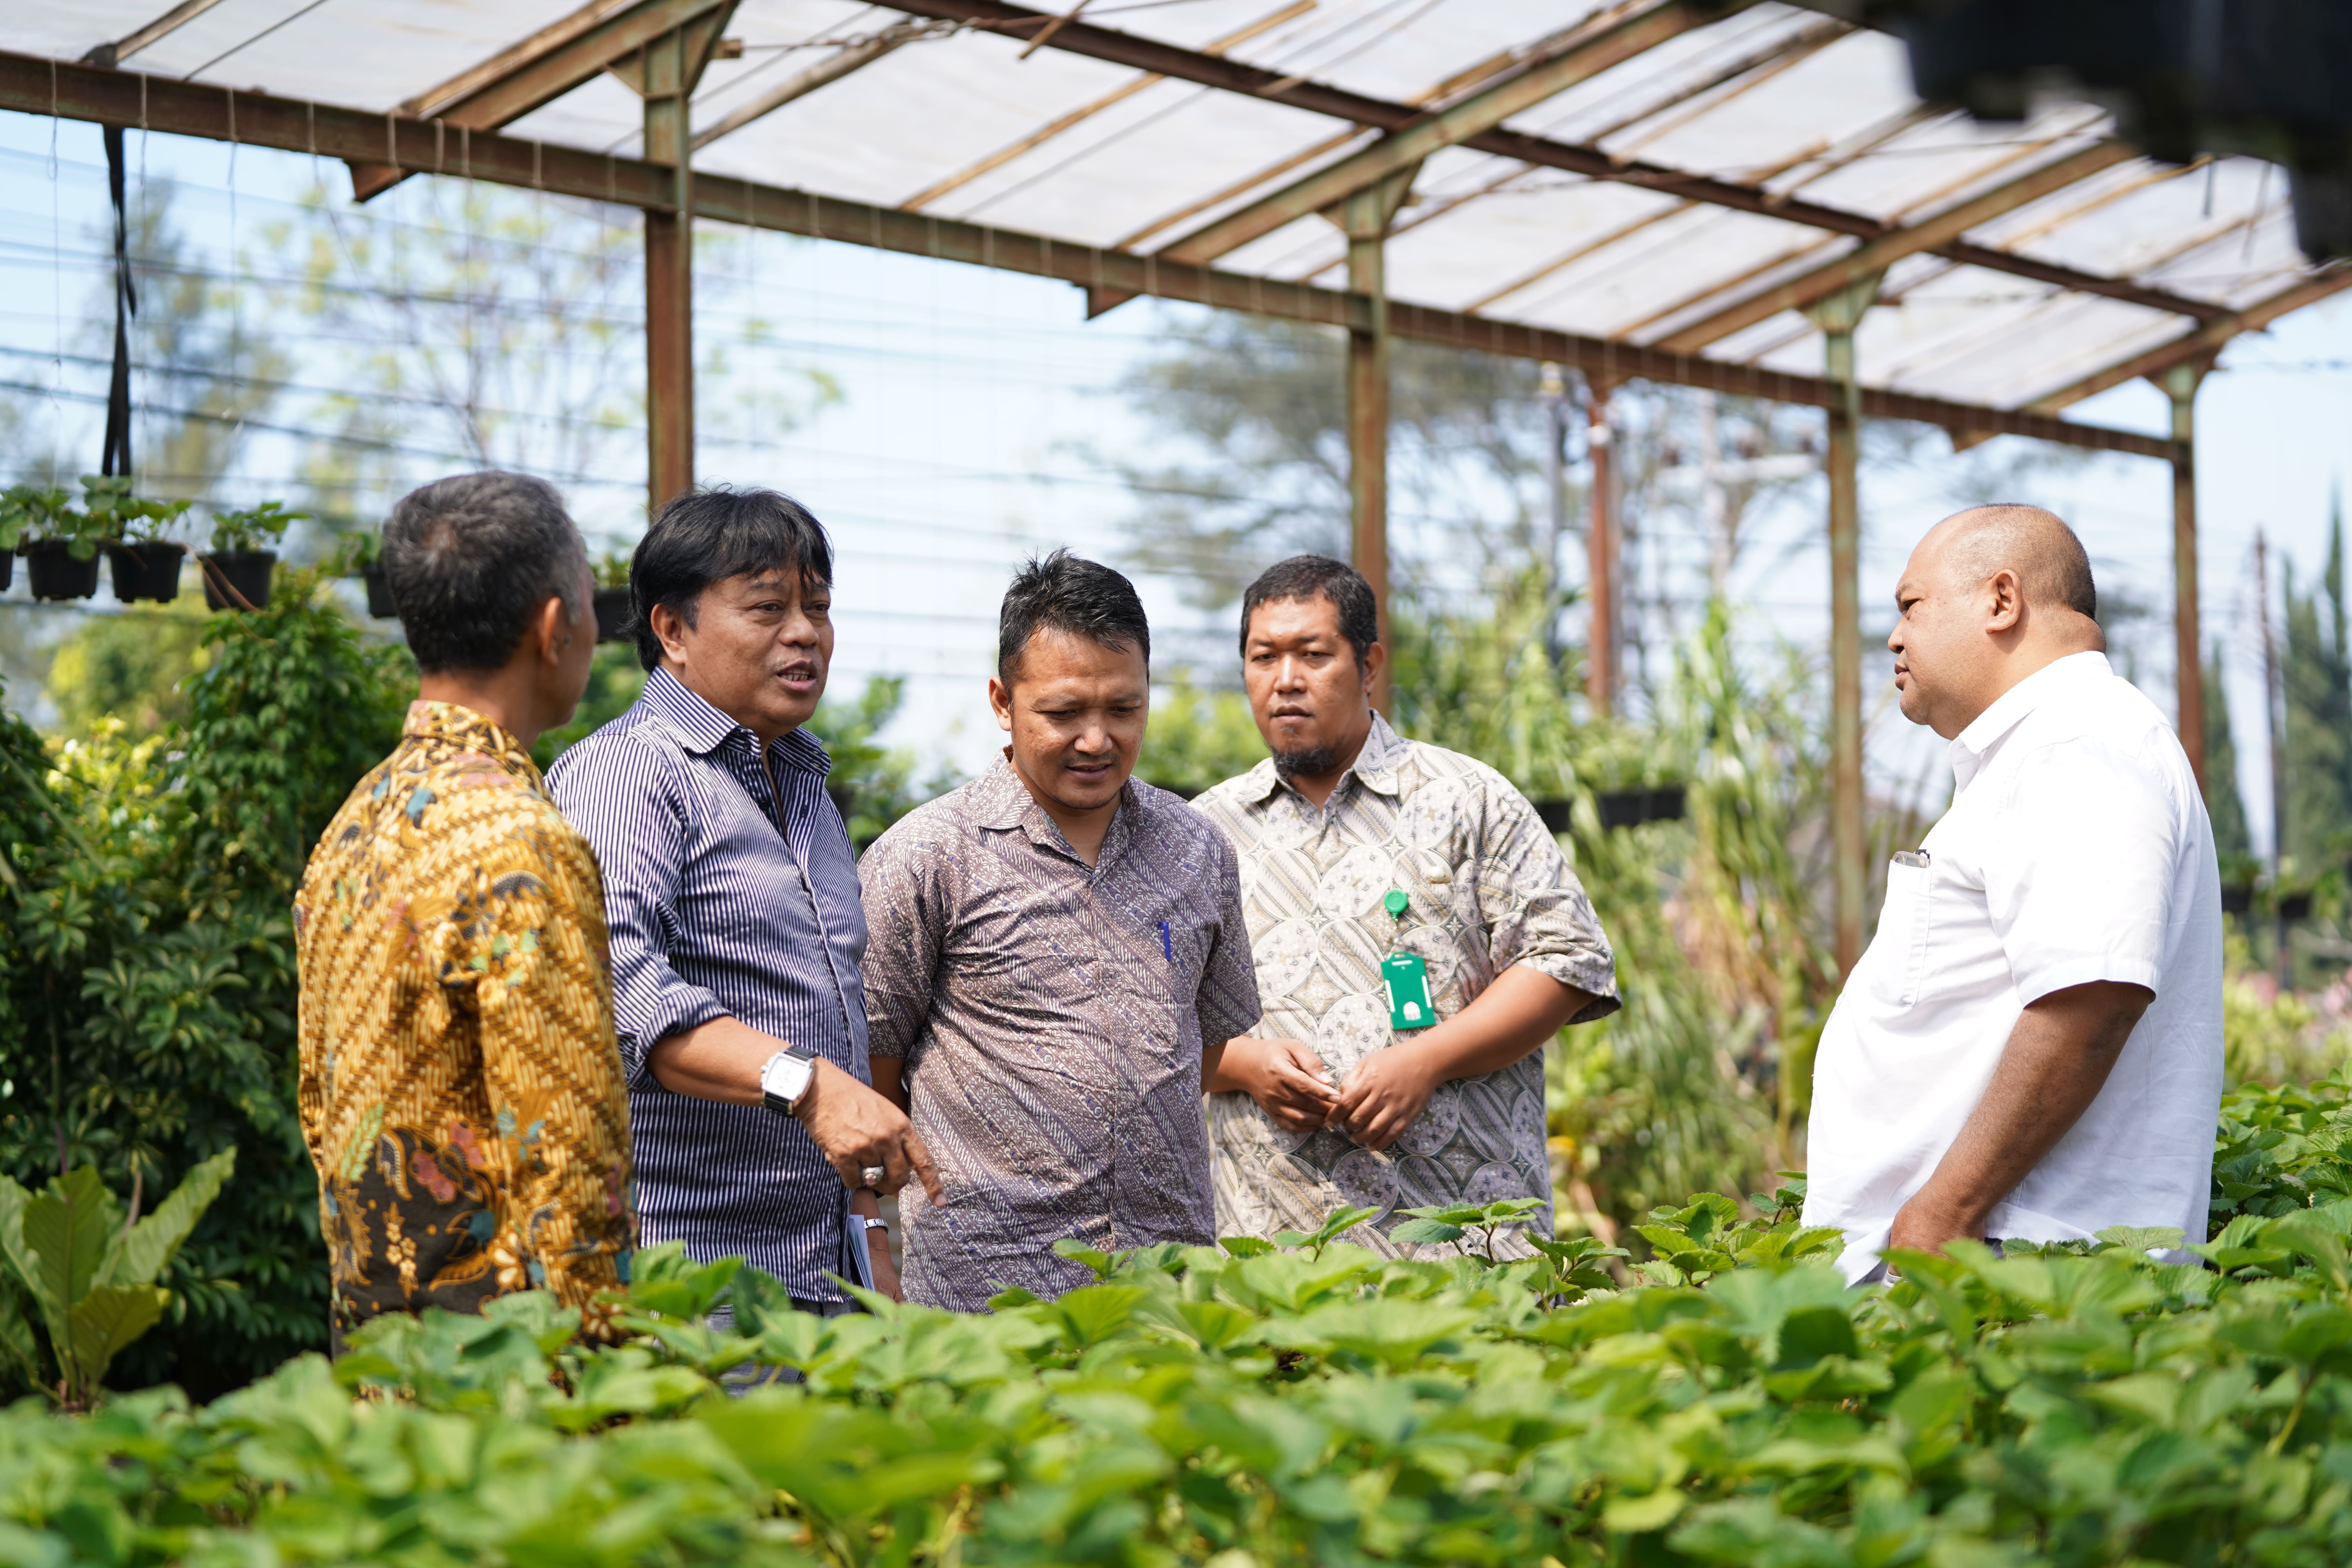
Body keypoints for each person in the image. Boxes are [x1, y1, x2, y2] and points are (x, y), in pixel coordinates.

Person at [1804, 504, 2223, 1282]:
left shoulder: (2074, 746)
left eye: (1911, 606)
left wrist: (1946, 1212)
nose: (1894, 638)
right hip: (1995, 1261)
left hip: (2010, 1271)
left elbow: (2092, 997)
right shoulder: (2051, 749)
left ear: (2002, 599)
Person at [548, 488, 939, 1315]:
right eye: (767, 607)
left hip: (827, 1279)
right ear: (673, 630)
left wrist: (871, 1247)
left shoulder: (806, 789)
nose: (804, 632)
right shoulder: (631, 773)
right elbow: (617, 990)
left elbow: (832, 1020)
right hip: (696, 1284)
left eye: (818, 607)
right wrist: (807, 1084)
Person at [858, 551, 1262, 1310]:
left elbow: (1202, 1048)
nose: (1097, 738)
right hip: (989, 1296)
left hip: (1165, 1293)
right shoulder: (927, 856)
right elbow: (870, 1074)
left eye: (1123, 708)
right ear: (1002, 701)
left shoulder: (1198, 849)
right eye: (1064, 712)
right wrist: (872, 1244)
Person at [1191, 555, 1619, 1257]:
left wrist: (1427, 1062)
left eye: (1313, 654)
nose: (1286, 680)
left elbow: (1569, 963)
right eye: (1264, 657)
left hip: (1465, 1248)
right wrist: (1244, 1064)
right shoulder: (1205, 832)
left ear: (1369, 665)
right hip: (1272, 1261)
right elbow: (1150, 1017)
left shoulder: (1466, 800)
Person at [296, 470, 633, 1345]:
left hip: (373, 1346)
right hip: (500, 1382)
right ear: (554, 627)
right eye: (595, 606)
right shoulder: (525, 843)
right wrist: (615, 1398)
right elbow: (570, 1164)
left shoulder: (353, 825)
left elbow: (318, 1105)